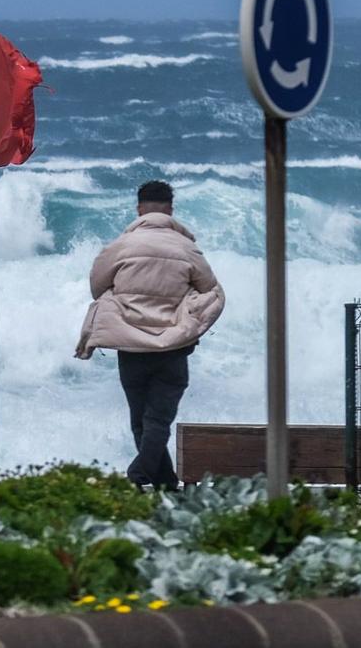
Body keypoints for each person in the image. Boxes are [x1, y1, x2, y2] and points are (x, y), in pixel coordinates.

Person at [76, 179, 226, 491]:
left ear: (139, 209)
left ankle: (140, 473)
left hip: (131, 348)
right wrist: (190, 318)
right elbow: (210, 290)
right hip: (173, 348)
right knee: (157, 421)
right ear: (171, 210)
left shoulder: (120, 247)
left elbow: (96, 286)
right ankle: (166, 485)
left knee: (140, 422)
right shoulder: (188, 249)